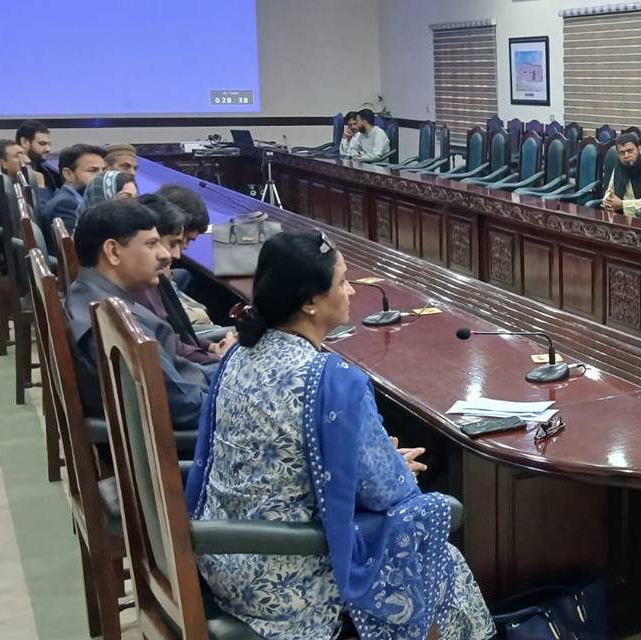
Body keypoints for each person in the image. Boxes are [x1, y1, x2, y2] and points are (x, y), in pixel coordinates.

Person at [185, 230, 494, 640]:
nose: (351, 291)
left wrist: (372, 462)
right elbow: (388, 494)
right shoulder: (332, 379)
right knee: (437, 542)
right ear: (310, 302)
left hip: (222, 558)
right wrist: (394, 467)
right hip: (284, 577)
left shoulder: (239, 353)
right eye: (343, 282)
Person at [64, 200, 211, 429]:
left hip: (194, 390)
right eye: (151, 244)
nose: (165, 254)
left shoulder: (85, 293)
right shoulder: (120, 323)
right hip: (190, 431)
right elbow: (186, 406)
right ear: (113, 252)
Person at [134, 194, 236, 369]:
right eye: (173, 243)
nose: (176, 254)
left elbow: (177, 340)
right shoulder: (142, 291)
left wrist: (211, 348)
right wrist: (222, 360)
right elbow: (178, 362)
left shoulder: (151, 282)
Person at [39, 144, 107, 241]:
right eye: (93, 170)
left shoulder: (73, 199)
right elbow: (81, 247)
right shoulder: (65, 205)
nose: (102, 176)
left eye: (103, 170)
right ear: (68, 174)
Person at [601, 133, 641, 217]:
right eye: (622, 153)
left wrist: (623, 204)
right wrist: (607, 201)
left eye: (630, 151)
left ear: (640, 150)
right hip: (618, 217)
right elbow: (610, 192)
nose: (626, 156)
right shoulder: (618, 168)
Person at [15, 120, 62, 191]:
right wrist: (41, 187)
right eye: (42, 144)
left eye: (49, 144)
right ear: (24, 142)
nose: (48, 149)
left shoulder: (49, 172)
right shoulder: (12, 172)